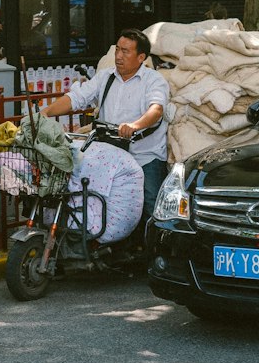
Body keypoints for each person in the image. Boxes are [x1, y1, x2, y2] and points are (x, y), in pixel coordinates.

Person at [41, 29, 168, 223]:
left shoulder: (154, 80)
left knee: (151, 205)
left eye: (126, 52)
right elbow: (77, 98)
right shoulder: (105, 77)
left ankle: (154, 251)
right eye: (117, 49)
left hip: (144, 155)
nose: (118, 56)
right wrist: (46, 112)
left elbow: (156, 109)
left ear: (141, 57)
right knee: (100, 201)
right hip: (112, 155)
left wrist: (135, 125)